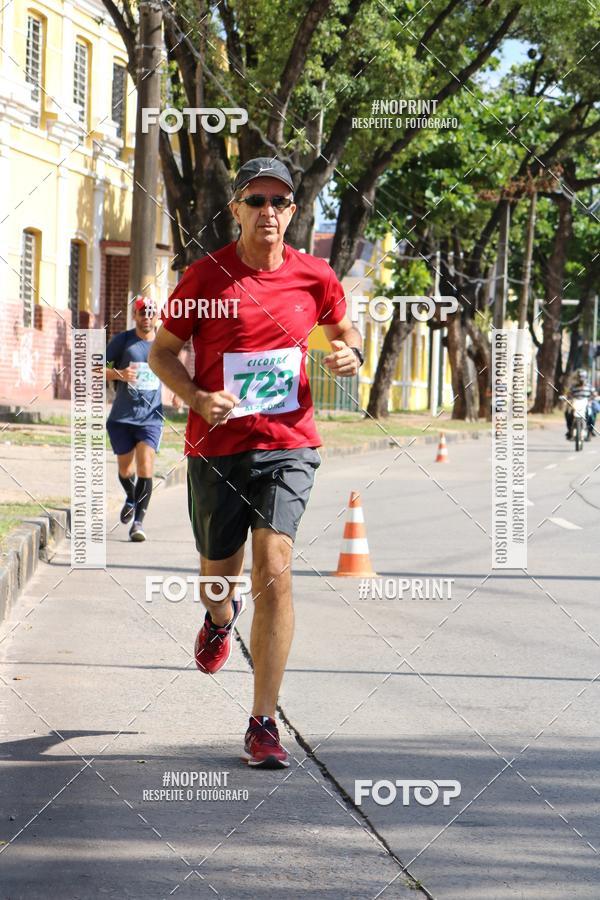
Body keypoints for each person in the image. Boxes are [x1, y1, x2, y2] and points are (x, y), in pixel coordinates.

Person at [149, 157, 363, 768]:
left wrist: (348, 354)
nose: (268, 211)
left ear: (293, 212)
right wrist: (193, 396)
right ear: (236, 209)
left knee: (275, 566)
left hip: (288, 442)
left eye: (280, 201)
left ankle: (263, 720)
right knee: (219, 576)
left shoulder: (315, 276)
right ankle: (219, 618)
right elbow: (164, 351)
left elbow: (345, 333)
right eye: (256, 200)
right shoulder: (204, 277)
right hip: (216, 446)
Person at [105, 296, 180, 542]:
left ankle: (138, 523)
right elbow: (93, 367)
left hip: (151, 418)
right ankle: (130, 495)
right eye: (142, 313)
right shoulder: (123, 341)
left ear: (157, 316)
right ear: (134, 316)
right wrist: (119, 374)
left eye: (151, 312)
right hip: (122, 418)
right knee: (126, 470)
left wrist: (179, 392)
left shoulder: (164, 344)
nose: (146, 317)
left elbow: (175, 371)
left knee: (146, 467)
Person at [565, 368, 596, 440]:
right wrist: (568, 398)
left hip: (586, 404)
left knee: (591, 415)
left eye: (583, 378)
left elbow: (594, 394)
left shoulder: (589, 387)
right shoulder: (574, 387)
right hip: (576, 404)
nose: (581, 380)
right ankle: (570, 430)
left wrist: (591, 398)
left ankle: (590, 431)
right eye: (580, 378)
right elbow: (569, 394)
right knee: (568, 413)